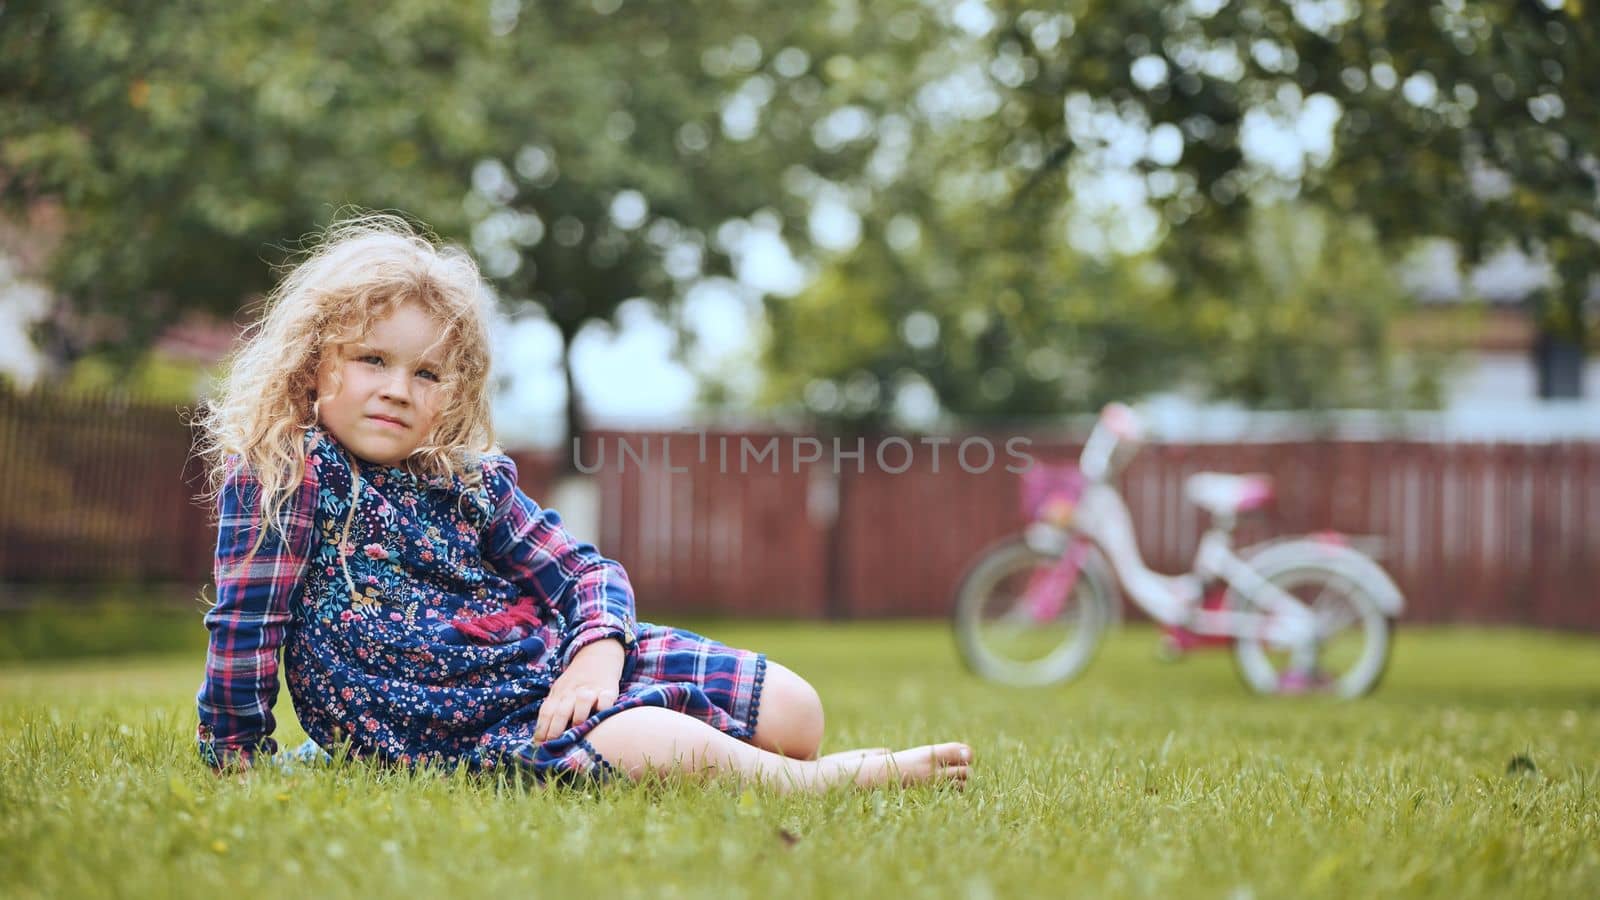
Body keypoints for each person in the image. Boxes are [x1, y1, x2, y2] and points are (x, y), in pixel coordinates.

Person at [194, 214, 971, 790]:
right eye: (372, 360)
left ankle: (723, 753)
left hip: (548, 664)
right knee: (645, 743)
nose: (398, 389)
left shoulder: (467, 482)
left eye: (426, 374)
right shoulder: (289, 472)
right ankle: (813, 783)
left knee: (798, 712)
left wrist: (597, 652)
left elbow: (584, 572)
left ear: (452, 391)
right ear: (311, 365)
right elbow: (247, 625)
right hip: (453, 718)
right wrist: (236, 753)